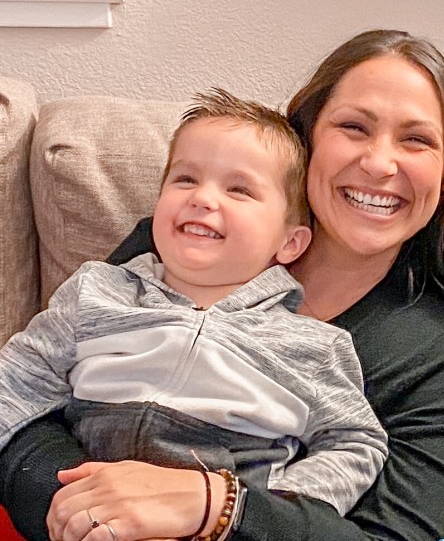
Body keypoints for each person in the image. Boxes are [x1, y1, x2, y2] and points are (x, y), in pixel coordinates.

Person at [0, 30, 444, 541]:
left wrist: (220, 506)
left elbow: (391, 531)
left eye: (416, 140)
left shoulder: (439, 355)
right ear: (307, 136)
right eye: (353, 127)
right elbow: (28, 402)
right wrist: (89, 511)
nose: (378, 163)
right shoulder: (177, 245)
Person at [0, 88, 388, 533]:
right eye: (185, 179)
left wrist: (275, 503)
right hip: (85, 507)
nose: (203, 198)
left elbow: (356, 443)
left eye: (239, 189)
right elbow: (16, 381)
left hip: (215, 519)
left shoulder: (314, 345)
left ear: (290, 243)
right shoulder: (97, 292)